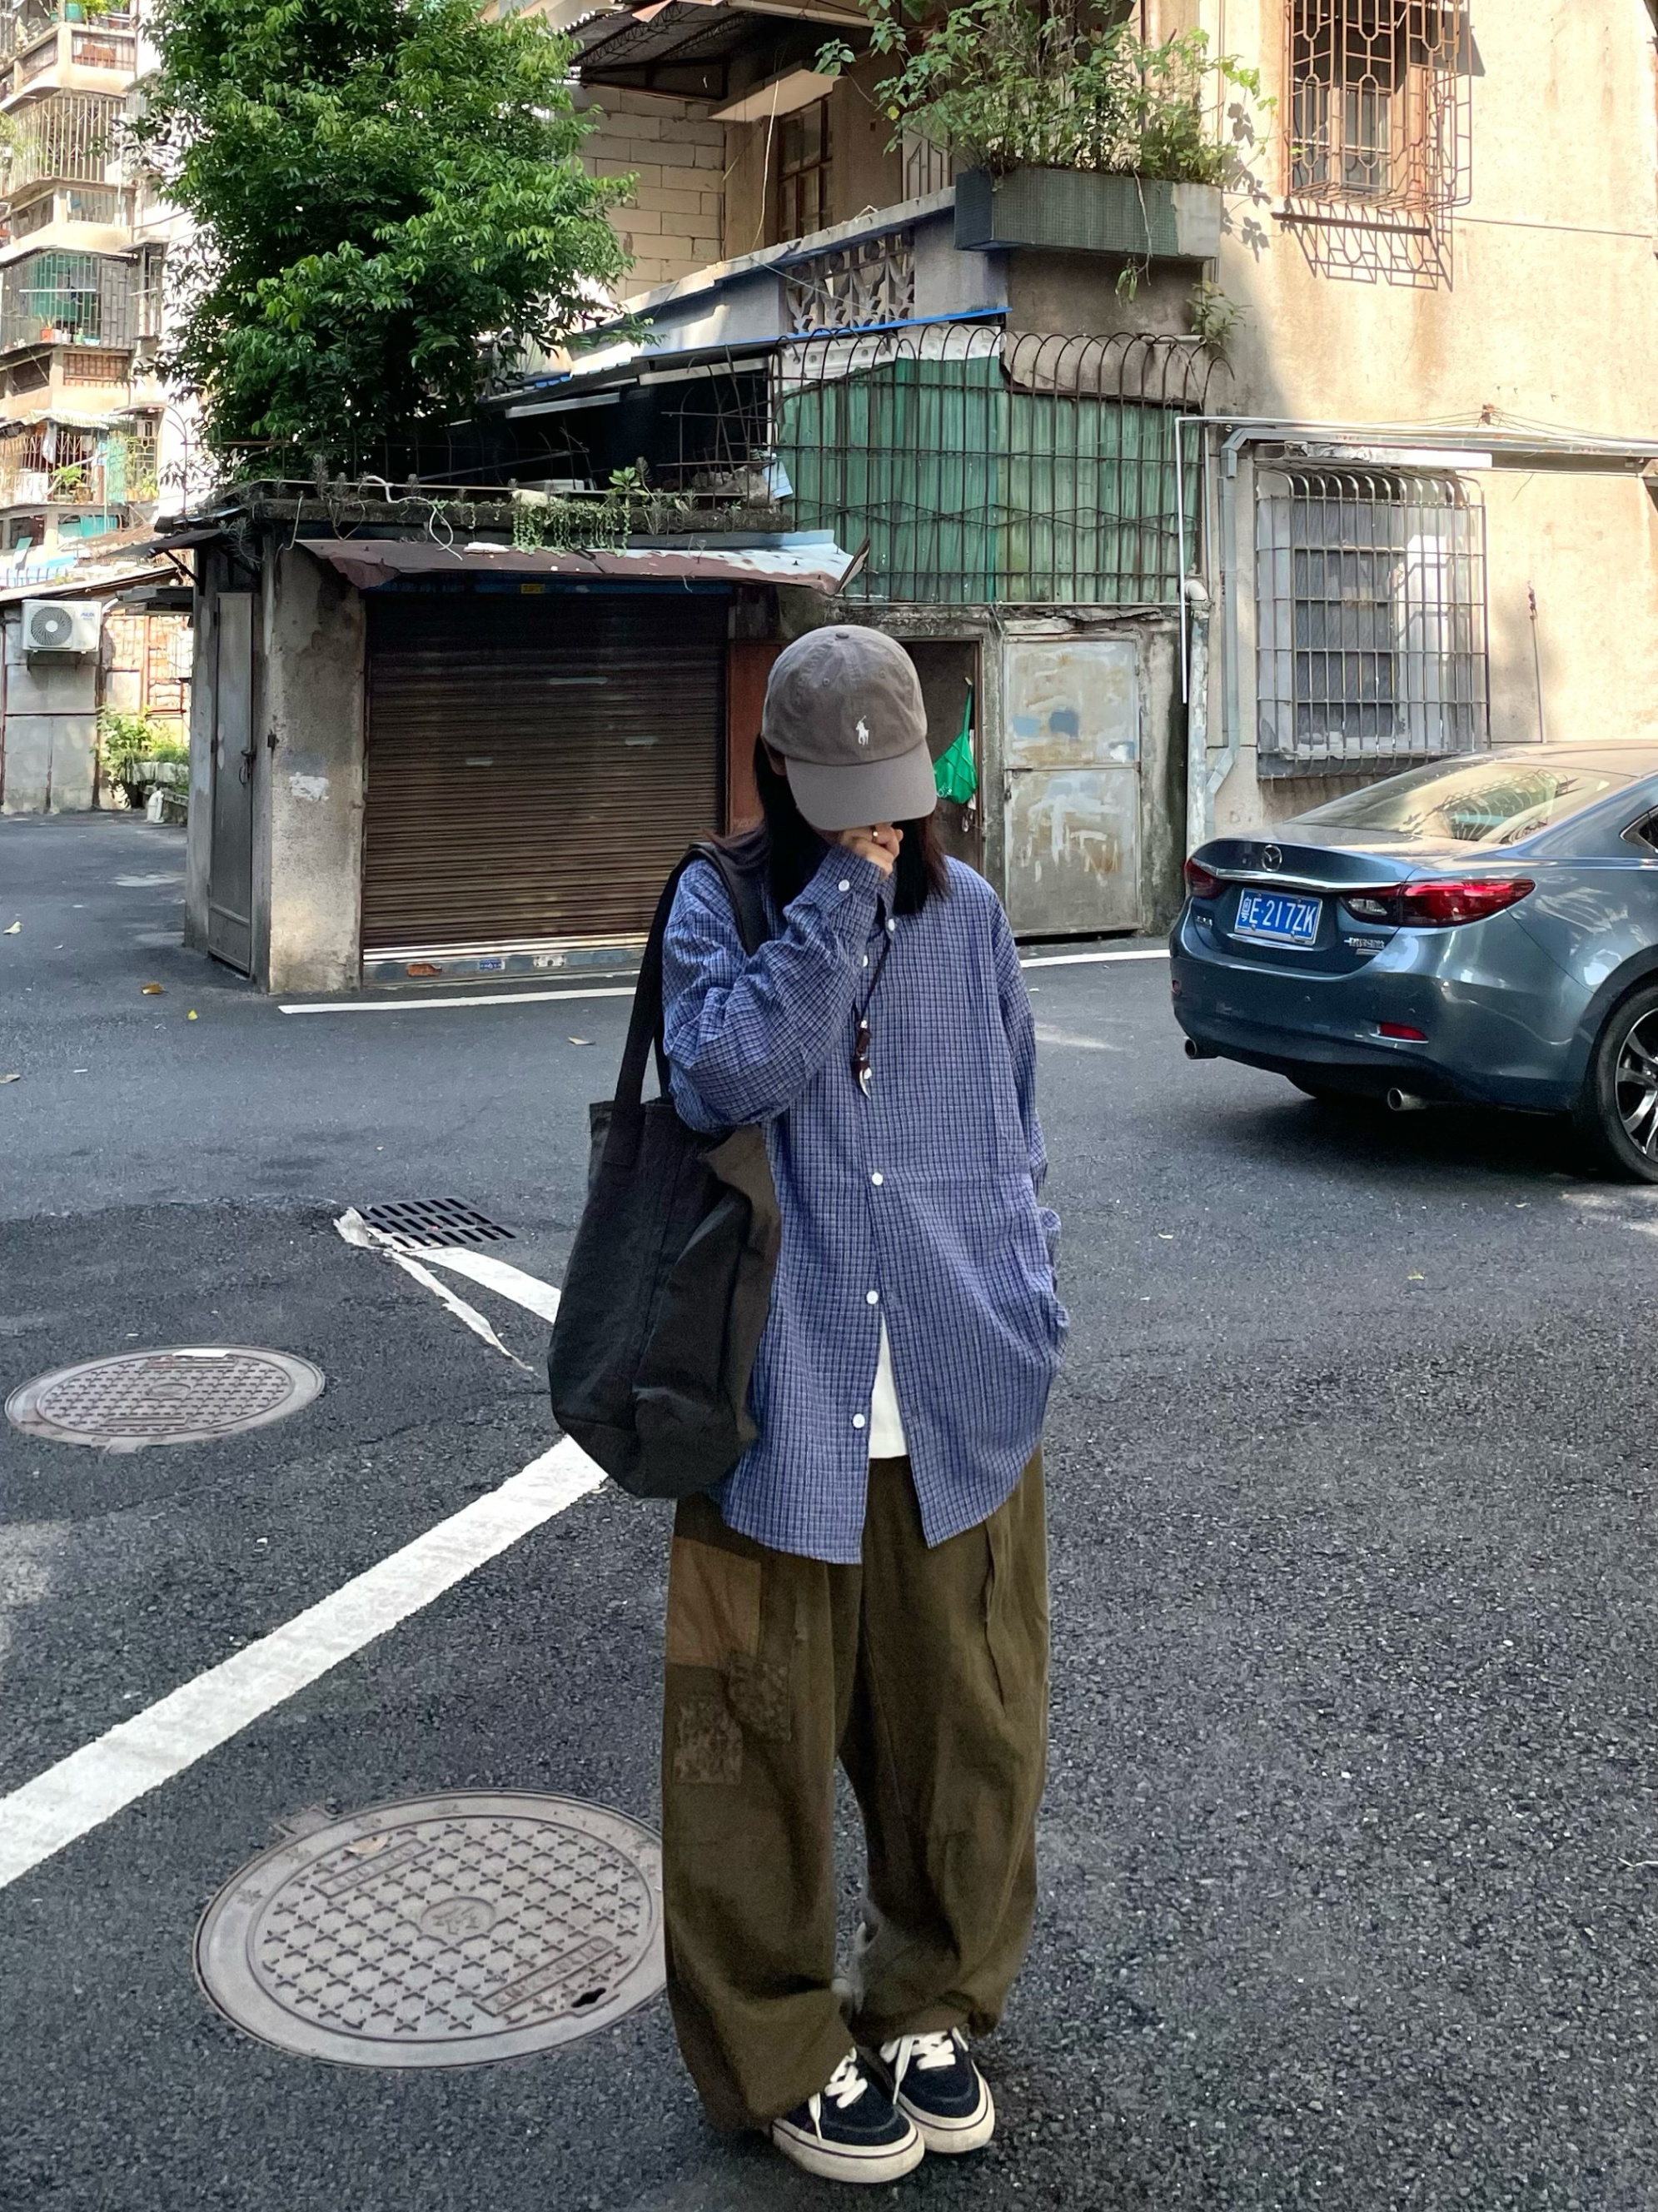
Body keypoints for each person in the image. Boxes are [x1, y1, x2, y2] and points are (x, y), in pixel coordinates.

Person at [659, 623, 1063, 2186]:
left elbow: (1019, 1130)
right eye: (843, 800)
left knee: (970, 1730)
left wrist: (1031, 1305)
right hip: (777, 1402)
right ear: (779, 773)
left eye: (892, 797)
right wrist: (834, 903)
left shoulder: (973, 919)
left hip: (961, 1400)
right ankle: (777, 2047)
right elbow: (721, 1080)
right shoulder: (722, 905)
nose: (879, 827)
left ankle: (930, 2002)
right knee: (749, 1747)